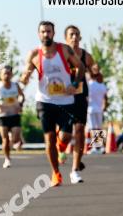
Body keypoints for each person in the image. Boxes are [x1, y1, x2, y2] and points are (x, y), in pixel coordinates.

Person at [19, 21, 86, 186]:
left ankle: (65, 148)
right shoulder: (34, 54)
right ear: (38, 34)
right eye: (43, 32)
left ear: (53, 33)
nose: (46, 34)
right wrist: (25, 78)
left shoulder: (64, 50)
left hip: (66, 100)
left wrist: (75, 84)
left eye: (48, 31)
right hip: (45, 101)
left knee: (66, 136)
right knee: (49, 138)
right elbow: (25, 74)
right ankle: (56, 173)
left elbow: (81, 67)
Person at [63, 25, 100, 172]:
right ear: (66, 38)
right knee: (67, 134)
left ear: (80, 37)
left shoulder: (86, 57)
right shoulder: (61, 55)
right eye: (71, 35)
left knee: (89, 128)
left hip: (89, 103)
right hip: (66, 98)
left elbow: (94, 70)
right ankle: (96, 146)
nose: (74, 37)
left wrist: (95, 69)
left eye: (77, 34)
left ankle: (98, 147)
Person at [0, 65, 24, 168]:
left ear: (12, 74)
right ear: (1, 75)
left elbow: (22, 96)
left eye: (9, 73)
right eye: (4, 73)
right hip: (2, 115)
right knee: (5, 139)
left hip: (14, 114)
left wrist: (20, 103)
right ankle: (7, 159)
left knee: (15, 138)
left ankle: (15, 140)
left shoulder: (15, 85)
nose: (7, 75)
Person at [86, 72, 109, 154]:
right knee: (99, 128)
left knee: (93, 128)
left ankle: (96, 148)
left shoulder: (89, 84)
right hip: (99, 109)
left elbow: (85, 96)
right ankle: (100, 147)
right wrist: (104, 107)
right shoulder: (102, 86)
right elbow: (106, 98)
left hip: (91, 109)